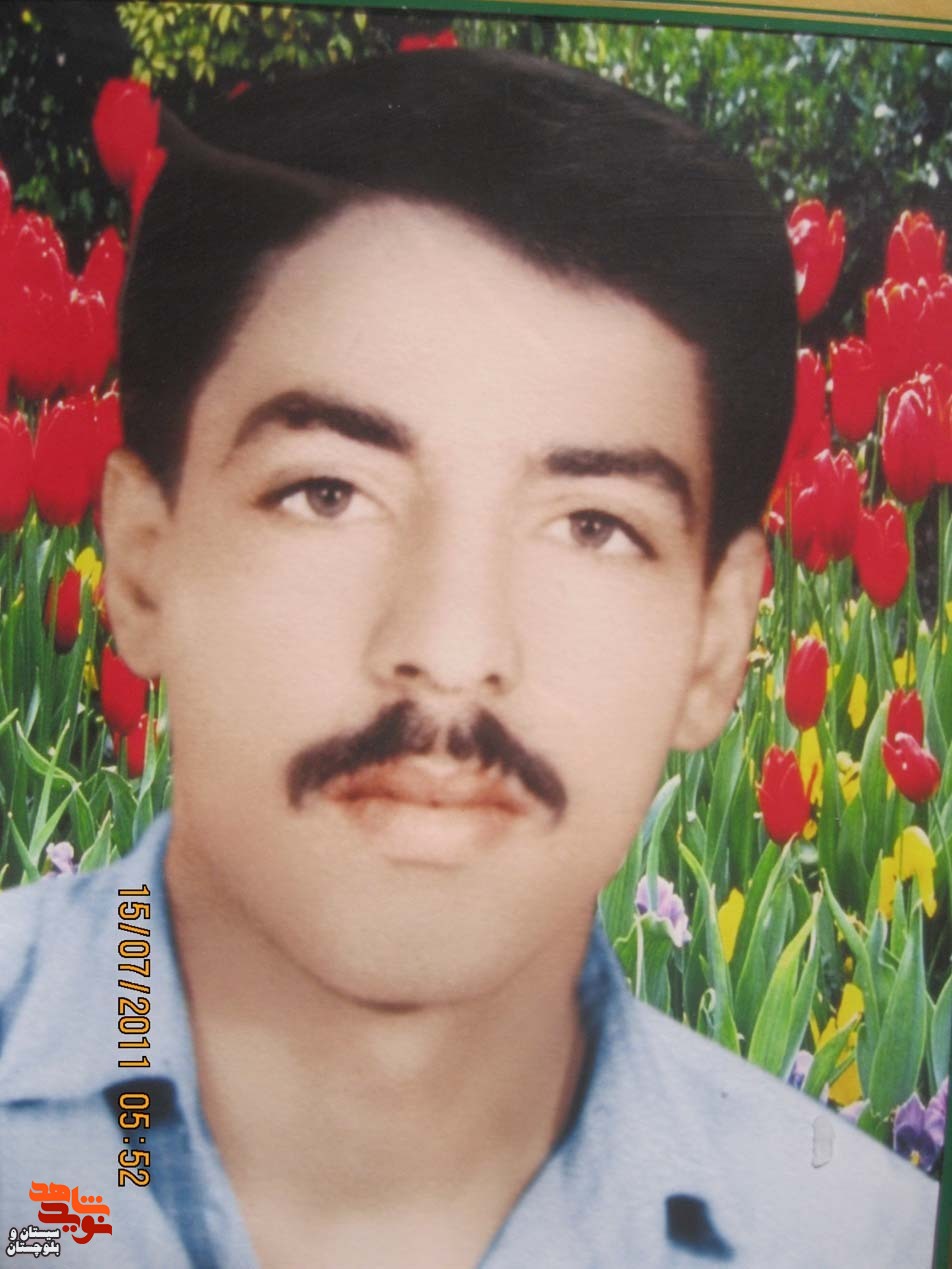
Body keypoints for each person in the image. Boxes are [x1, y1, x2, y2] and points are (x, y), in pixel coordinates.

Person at [0, 47, 939, 1268]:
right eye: (328, 493)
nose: (448, 652)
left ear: (717, 641)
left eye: (591, 525)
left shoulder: (855, 1241)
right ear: (140, 565)